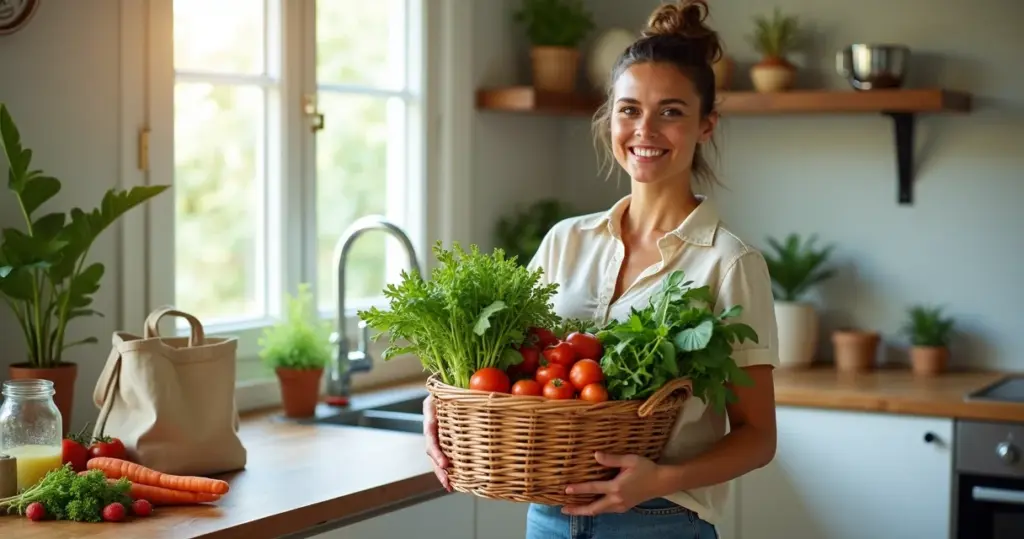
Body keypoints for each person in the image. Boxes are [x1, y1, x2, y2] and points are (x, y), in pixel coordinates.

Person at [423, 1, 779, 537]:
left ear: (706, 125)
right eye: (630, 109)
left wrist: (659, 480)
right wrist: (444, 405)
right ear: (610, 117)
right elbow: (508, 367)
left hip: (659, 522)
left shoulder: (728, 262)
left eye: (672, 111)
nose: (646, 129)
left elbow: (758, 437)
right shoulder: (566, 241)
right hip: (548, 516)